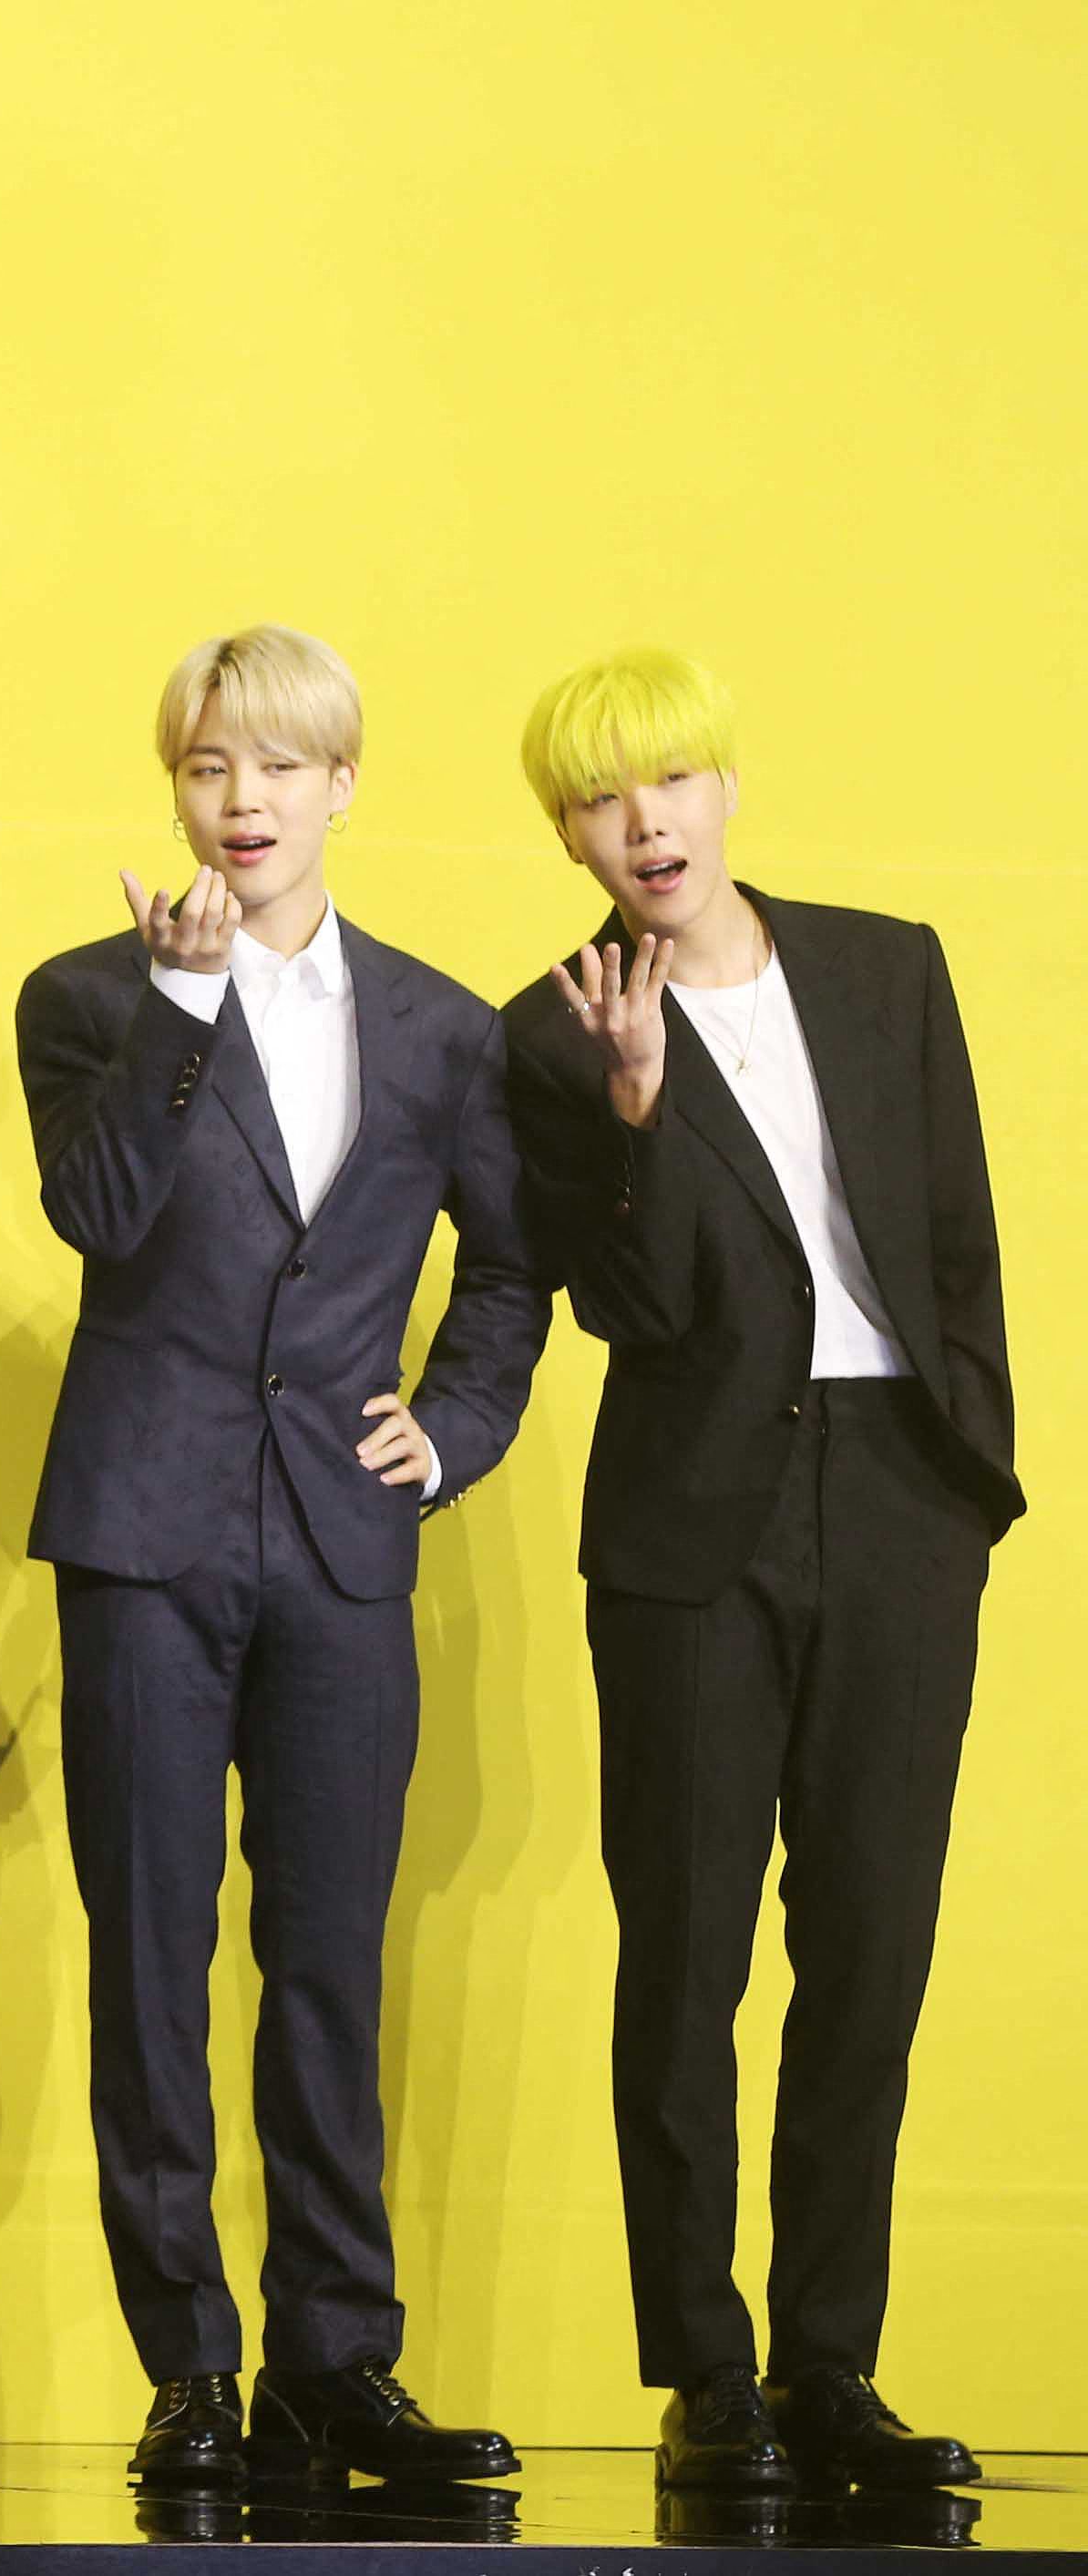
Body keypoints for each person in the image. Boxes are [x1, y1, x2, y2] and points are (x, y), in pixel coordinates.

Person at [15, 624, 543, 2490]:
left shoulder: (442, 1029)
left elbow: (507, 1261)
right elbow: (95, 1211)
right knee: (151, 1955)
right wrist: (180, 1016)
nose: (239, 803)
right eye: (207, 769)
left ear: (340, 784)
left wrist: (456, 1426)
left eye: (276, 768)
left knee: (327, 1961)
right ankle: (190, 2363)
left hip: (340, 1540)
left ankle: (339, 2353)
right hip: (142, 1531)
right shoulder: (85, 996)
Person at [501, 649, 1017, 2497]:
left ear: (723, 786)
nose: (641, 825)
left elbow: (958, 1239)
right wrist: (636, 1112)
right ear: (565, 831)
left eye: (667, 784)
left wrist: (967, 1479)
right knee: (690, 1955)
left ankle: (831, 2366)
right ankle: (706, 2371)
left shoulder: (888, 968)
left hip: (896, 1496)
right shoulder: (554, 1030)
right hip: (692, 1523)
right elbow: (618, 1310)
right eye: (595, 801)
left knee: (871, 1947)